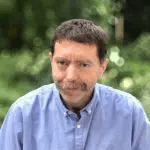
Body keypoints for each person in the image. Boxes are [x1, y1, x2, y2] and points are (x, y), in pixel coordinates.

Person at [0, 19, 150, 150]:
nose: (71, 77)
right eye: (62, 63)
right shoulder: (22, 114)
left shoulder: (130, 114)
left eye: (83, 65)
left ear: (102, 68)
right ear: (51, 61)